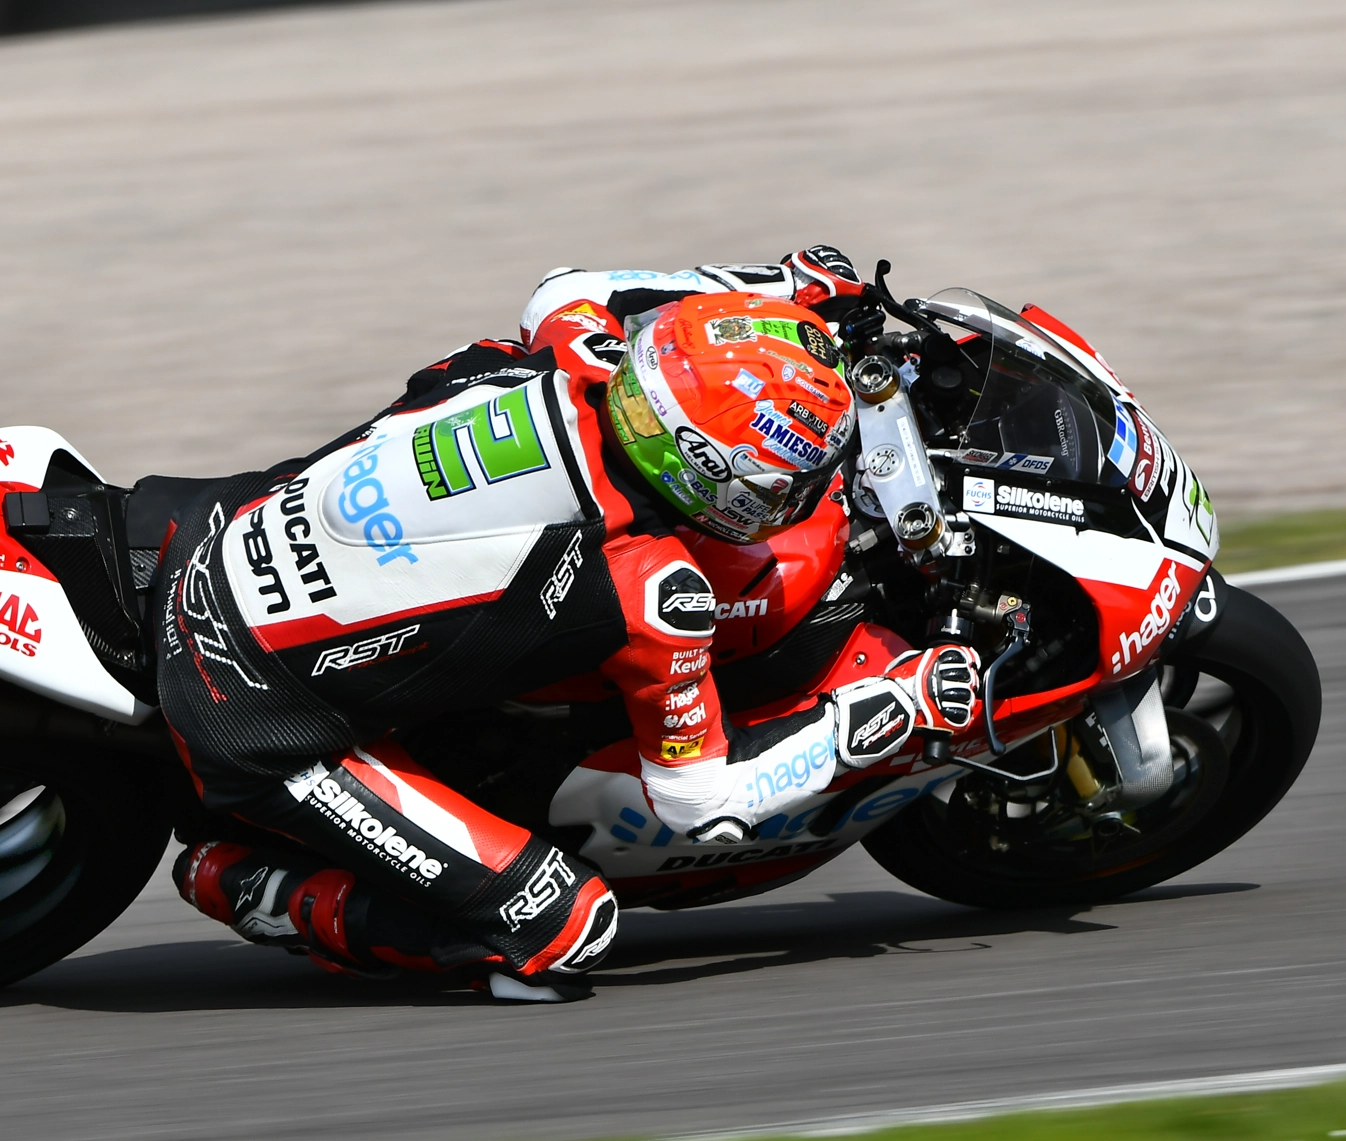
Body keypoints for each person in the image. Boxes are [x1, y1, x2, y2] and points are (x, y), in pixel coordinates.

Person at [158, 247, 980, 1002]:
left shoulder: (573, 354)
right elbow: (699, 801)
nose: (799, 496)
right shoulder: (651, 587)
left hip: (211, 552)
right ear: (716, 479)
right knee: (564, 929)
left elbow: (570, 288)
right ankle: (264, 888)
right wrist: (889, 712)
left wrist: (782, 284)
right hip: (256, 717)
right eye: (787, 484)